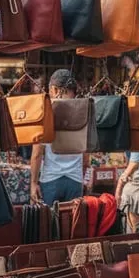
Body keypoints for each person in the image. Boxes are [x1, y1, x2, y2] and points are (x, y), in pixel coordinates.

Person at [30, 70, 89, 206]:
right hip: (75, 180)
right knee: (72, 225)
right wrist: (81, 177)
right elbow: (86, 156)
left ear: (54, 89)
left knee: (49, 224)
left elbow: (37, 154)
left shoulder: (46, 113)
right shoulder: (82, 112)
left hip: (51, 180)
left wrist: (33, 183)